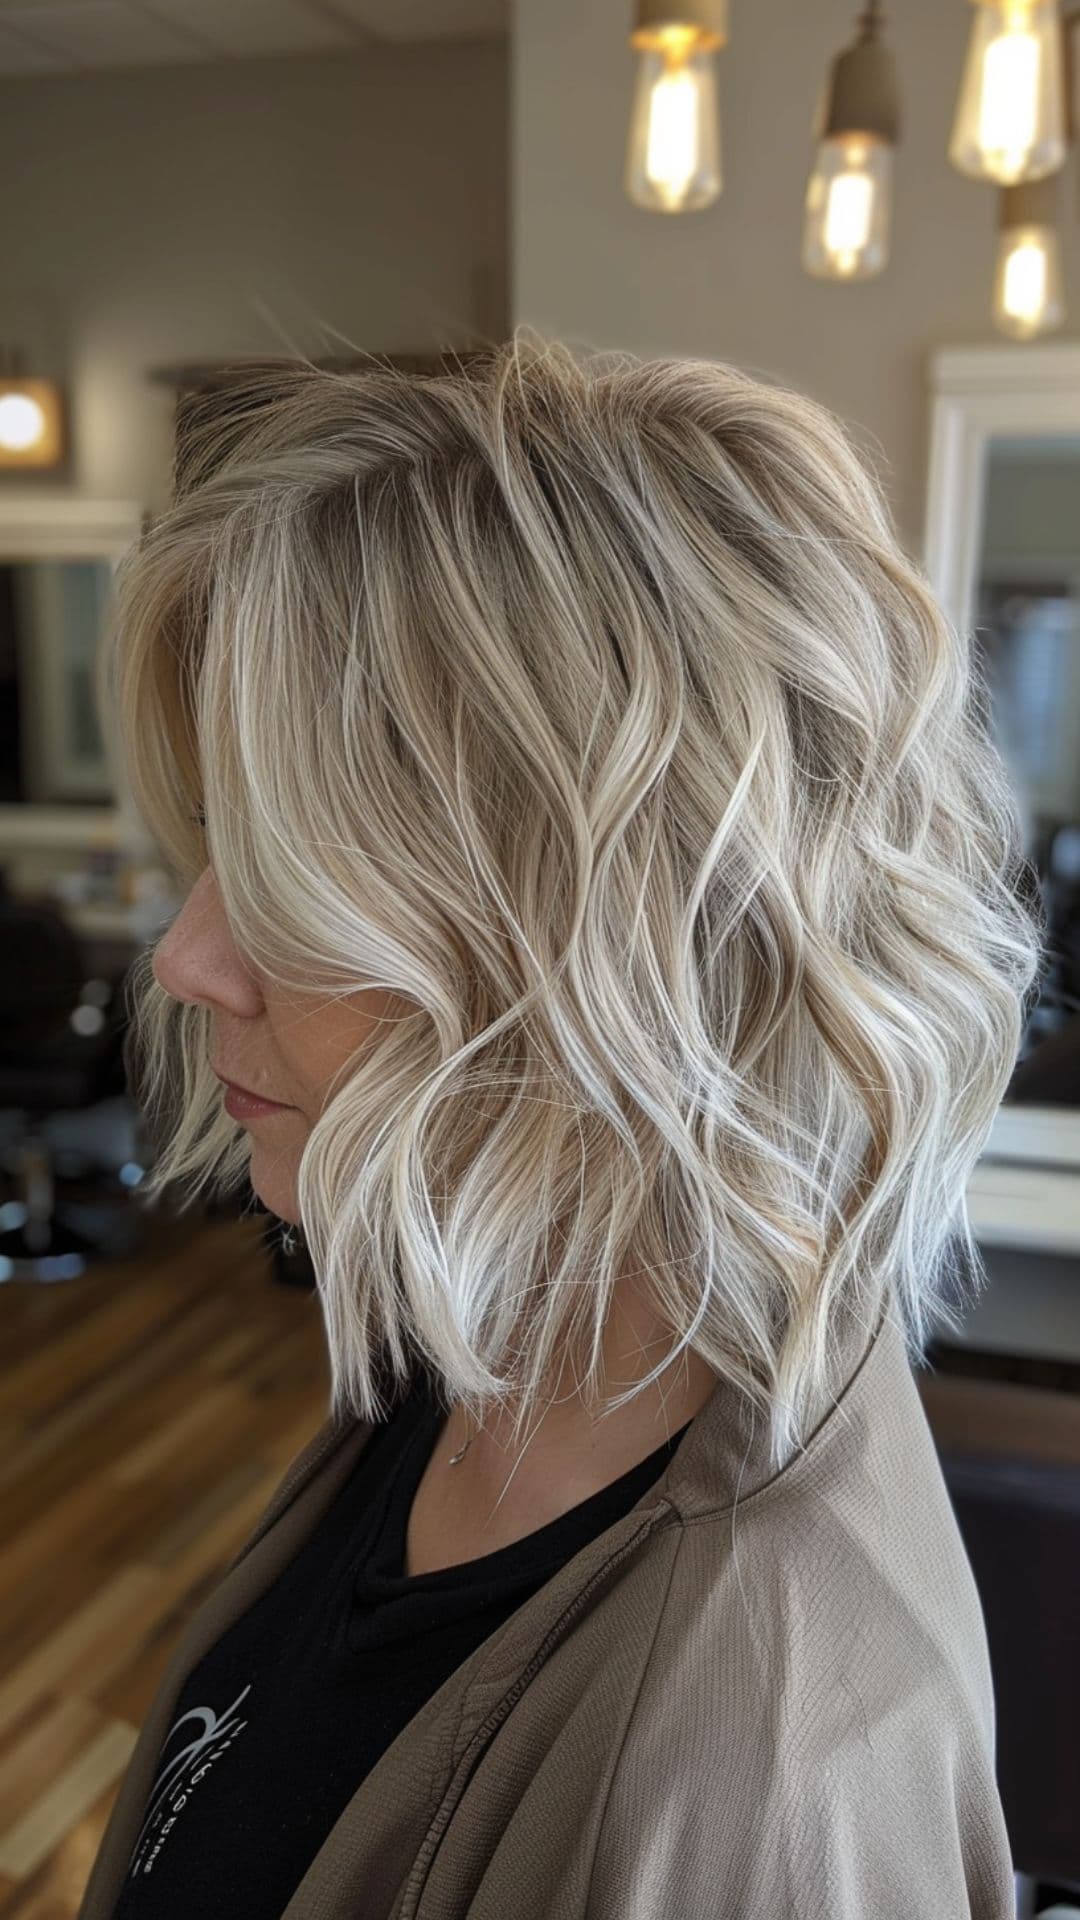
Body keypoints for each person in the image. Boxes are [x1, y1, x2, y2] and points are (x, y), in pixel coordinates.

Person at [78, 331, 1044, 1920]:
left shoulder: (745, 1805)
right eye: (221, 852)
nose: (186, 960)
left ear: (619, 951)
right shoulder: (487, 1352)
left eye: (297, 884)